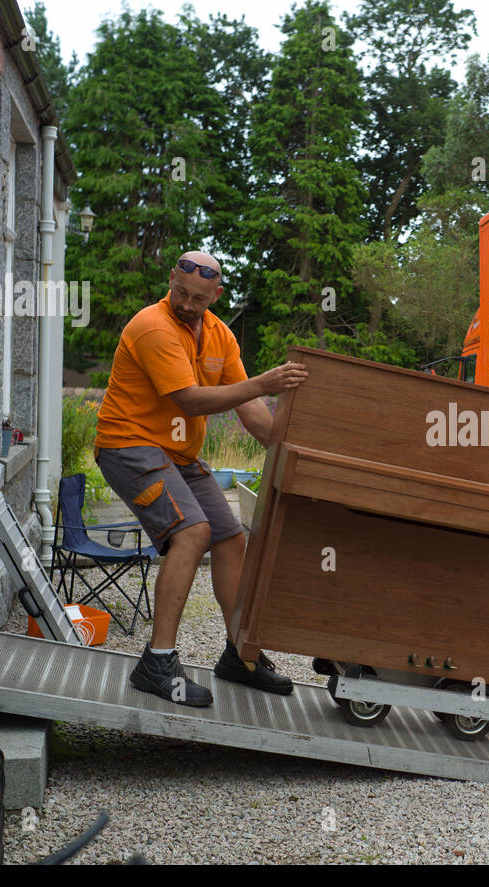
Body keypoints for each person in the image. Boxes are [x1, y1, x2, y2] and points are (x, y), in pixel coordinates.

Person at [93, 250, 308, 707]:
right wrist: (264, 384)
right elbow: (190, 401)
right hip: (128, 444)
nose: (187, 304)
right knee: (193, 532)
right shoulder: (153, 326)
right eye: (181, 292)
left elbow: (250, 411)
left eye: (198, 298)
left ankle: (238, 655)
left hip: (178, 456)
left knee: (231, 537)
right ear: (171, 278)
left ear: (217, 294)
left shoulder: (218, 335)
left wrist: (292, 440)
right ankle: (157, 662)